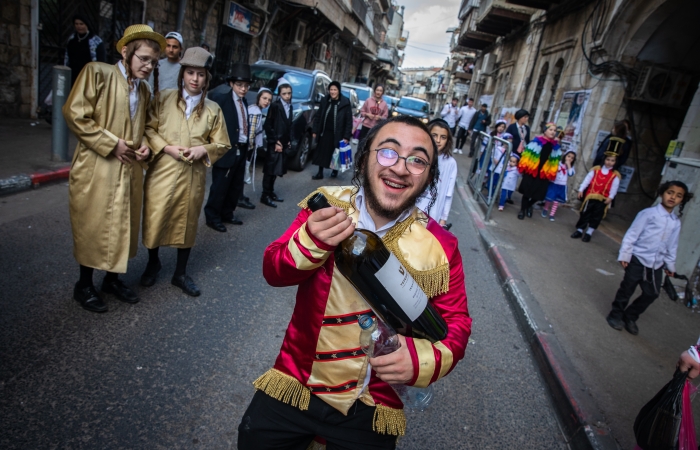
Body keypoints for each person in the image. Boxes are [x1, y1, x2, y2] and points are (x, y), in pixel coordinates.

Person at [237, 115, 471, 449]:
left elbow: (456, 321)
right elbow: (274, 271)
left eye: (417, 160)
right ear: (364, 158)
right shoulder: (326, 206)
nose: (401, 168)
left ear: (430, 177)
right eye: (388, 152)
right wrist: (311, 240)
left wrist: (421, 360)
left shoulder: (441, 246)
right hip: (296, 382)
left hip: (372, 403)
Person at [62, 24, 165, 313]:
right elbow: (75, 114)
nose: (148, 65)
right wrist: (111, 144)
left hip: (129, 166)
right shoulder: (98, 73)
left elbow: (145, 126)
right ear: (125, 52)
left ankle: (112, 279)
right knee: (94, 223)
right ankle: (84, 285)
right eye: (143, 58)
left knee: (124, 224)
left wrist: (145, 144)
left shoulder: (142, 89)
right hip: (98, 164)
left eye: (153, 62)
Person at [141, 47, 230, 297]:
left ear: (207, 78)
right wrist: (166, 148)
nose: (195, 79)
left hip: (192, 176)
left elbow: (222, 143)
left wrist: (204, 150)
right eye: (190, 72)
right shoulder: (163, 98)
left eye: (200, 74)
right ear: (182, 74)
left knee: (187, 222)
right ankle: (153, 262)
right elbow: (148, 128)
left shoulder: (212, 109)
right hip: (162, 172)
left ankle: (180, 273)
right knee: (154, 217)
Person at [606, 181, 691, 335]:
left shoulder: (675, 223)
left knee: (652, 293)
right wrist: (625, 254)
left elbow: (672, 246)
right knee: (627, 289)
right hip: (638, 258)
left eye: (678, 196)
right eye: (670, 192)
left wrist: (670, 266)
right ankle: (615, 315)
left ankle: (630, 316)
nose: (673, 197)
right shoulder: (648, 214)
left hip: (656, 265)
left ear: (682, 201)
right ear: (661, 194)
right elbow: (632, 235)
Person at [204, 63, 253, 232]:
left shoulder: (245, 102)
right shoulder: (222, 100)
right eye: (239, 85)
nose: (243, 89)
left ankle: (227, 213)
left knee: (235, 185)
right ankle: (212, 216)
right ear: (231, 84)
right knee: (220, 185)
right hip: (226, 150)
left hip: (241, 148)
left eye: (246, 86)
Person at [416, 119, 458, 230]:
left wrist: (443, 219)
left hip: (433, 216)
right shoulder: (417, 155)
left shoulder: (450, 163)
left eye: (443, 137)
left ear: (448, 140)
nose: (438, 140)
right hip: (411, 211)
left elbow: (448, 194)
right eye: (434, 135)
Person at [570, 153, 621, 242]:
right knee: (585, 213)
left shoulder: (615, 175)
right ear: (604, 159)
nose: (609, 162)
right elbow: (587, 180)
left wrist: (611, 197)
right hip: (590, 196)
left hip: (603, 199)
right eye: (608, 160)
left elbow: (614, 188)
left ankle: (589, 232)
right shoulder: (596, 170)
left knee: (597, 216)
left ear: (615, 162)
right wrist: (581, 189)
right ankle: (580, 230)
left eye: (612, 161)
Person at [517, 122, 562, 220]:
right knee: (527, 192)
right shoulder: (536, 141)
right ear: (545, 131)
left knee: (539, 195)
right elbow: (527, 154)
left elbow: (556, 160)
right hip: (532, 170)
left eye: (555, 130)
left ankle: (528, 206)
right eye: (551, 130)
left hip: (544, 173)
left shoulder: (555, 146)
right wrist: (525, 167)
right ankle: (522, 210)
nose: (553, 132)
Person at [311, 81, 353, 180]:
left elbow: (348, 121)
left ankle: (335, 170)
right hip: (325, 132)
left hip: (338, 133)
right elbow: (318, 116)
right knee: (322, 152)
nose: (333, 92)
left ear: (338, 91)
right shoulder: (325, 100)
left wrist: (346, 136)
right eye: (331, 89)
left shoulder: (345, 102)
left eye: (335, 90)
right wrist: (315, 130)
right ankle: (320, 172)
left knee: (336, 153)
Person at [260, 80, 292, 208]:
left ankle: (271, 192)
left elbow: (289, 124)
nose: (287, 96)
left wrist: (288, 140)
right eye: (284, 94)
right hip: (275, 143)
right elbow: (268, 124)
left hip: (283, 142)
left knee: (277, 169)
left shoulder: (290, 106)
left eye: (289, 93)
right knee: (270, 170)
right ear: (279, 94)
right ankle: (265, 195)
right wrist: (275, 142)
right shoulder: (275, 106)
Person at [64, 15, 106, 86]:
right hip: (72, 75)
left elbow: (101, 61)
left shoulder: (96, 41)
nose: (79, 26)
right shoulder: (71, 39)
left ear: (87, 24)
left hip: (88, 76)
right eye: (76, 24)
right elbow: (67, 57)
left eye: (81, 24)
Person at [244, 88, 273, 186]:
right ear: (259, 98)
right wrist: (250, 147)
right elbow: (251, 133)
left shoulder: (255, 109)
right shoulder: (255, 112)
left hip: (248, 147)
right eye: (264, 98)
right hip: (247, 147)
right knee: (243, 170)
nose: (267, 102)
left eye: (269, 100)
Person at [541, 151, 576, 221]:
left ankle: (552, 214)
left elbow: (571, 174)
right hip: (554, 183)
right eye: (568, 156)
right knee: (549, 198)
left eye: (572, 158)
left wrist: (569, 166)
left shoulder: (571, 168)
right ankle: (545, 209)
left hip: (561, 186)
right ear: (565, 156)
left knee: (556, 201)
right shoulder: (558, 163)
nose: (570, 159)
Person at [488, 131, 512, 198]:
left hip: (502, 171)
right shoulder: (497, 148)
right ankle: (490, 194)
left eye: (510, 142)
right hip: (494, 168)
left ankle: (493, 195)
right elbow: (492, 156)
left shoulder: (510, 152)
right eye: (507, 141)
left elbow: (509, 161)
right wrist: (494, 159)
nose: (508, 143)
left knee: (497, 183)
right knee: (491, 182)